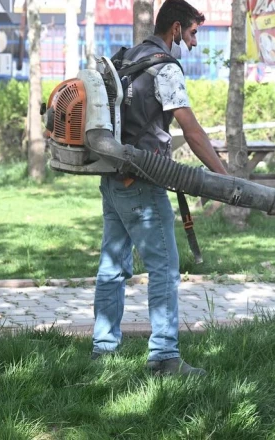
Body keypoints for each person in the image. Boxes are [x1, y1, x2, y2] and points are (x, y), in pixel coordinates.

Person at [90, 0, 228, 377]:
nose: (195, 43)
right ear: (175, 29)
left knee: (112, 268)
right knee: (164, 269)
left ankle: (103, 352)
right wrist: (225, 177)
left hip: (114, 179)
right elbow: (192, 131)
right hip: (145, 184)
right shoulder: (164, 67)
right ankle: (165, 357)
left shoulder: (130, 56)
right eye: (193, 33)